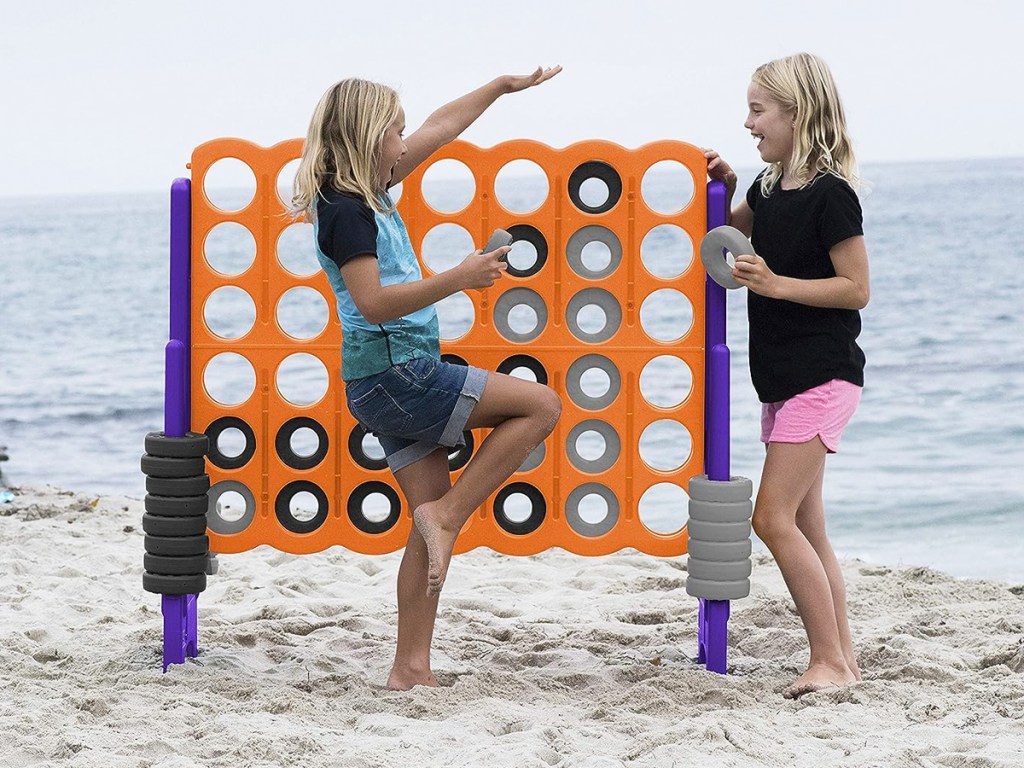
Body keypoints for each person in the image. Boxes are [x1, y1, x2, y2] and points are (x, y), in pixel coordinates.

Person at [290, 69, 563, 690]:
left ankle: (409, 668)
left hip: (382, 381)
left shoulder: (371, 186)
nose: (406, 139)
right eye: (396, 130)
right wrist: (458, 278)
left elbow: (443, 126)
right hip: (398, 375)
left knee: (423, 524)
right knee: (541, 405)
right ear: (368, 136)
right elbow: (373, 303)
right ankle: (451, 513)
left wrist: (498, 87)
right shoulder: (346, 210)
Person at [704, 53, 869, 699]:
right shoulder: (768, 189)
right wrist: (727, 185)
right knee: (808, 526)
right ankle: (842, 661)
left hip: (823, 377)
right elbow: (727, 239)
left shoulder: (833, 194)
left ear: (797, 114)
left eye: (758, 110)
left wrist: (776, 283)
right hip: (780, 380)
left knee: (772, 518)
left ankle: (827, 658)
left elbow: (856, 289)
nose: (748, 122)